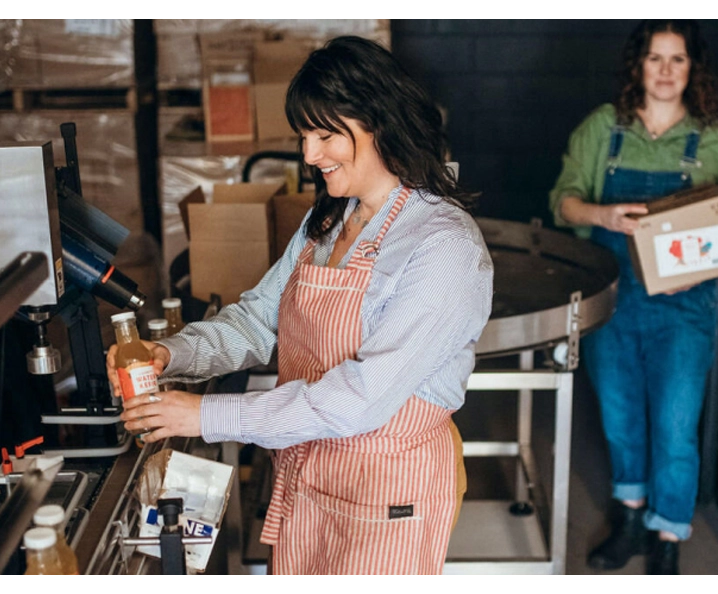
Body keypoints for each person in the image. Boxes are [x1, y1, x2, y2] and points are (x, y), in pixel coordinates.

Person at [110, 36, 494, 576]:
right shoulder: (330, 222)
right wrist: (171, 355)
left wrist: (204, 414)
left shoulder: (442, 245)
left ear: (379, 120)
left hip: (386, 493)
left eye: (325, 134)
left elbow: (359, 399)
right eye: (304, 137)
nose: (310, 156)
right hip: (307, 477)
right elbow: (257, 318)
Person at [548, 18, 718, 576]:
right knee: (620, 416)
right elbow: (564, 201)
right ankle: (631, 515)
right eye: (655, 58)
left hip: (685, 305)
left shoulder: (712, 140)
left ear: (692, 68)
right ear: (638, 64)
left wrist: (698, 268)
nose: (664, 70)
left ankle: (668, 534)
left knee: (676, 425)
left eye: (676, 59)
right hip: (612, 298)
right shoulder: (602, 129)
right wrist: (602, 214)